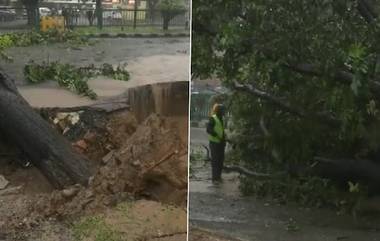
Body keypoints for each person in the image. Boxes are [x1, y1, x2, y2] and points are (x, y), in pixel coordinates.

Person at [206, 103, 226, 183]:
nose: (224, 111)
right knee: (215, 161)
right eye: (222, 110)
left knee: (221, 160)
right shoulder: (213, 118)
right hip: (214, 143)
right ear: (219, 111)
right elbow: (208, 129)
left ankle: (219, 177)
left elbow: (222, 130)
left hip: (221, 143)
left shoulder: (222, 119)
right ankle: (215, 178)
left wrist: (224, 139)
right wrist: (216, 135)